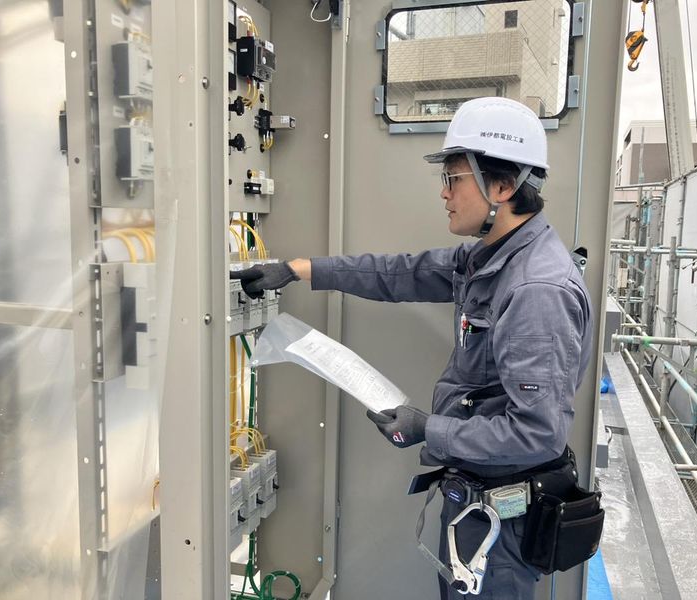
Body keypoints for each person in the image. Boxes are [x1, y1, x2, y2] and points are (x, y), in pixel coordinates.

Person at [230, 97, 593, 599]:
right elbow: (401, 273)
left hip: (501, 527)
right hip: (477, 506)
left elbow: (537, 436)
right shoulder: (491, 259)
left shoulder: (536, 290)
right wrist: (297, 270)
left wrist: (428, 428)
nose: (444, 193)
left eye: (454, 178)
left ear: (502, 187)